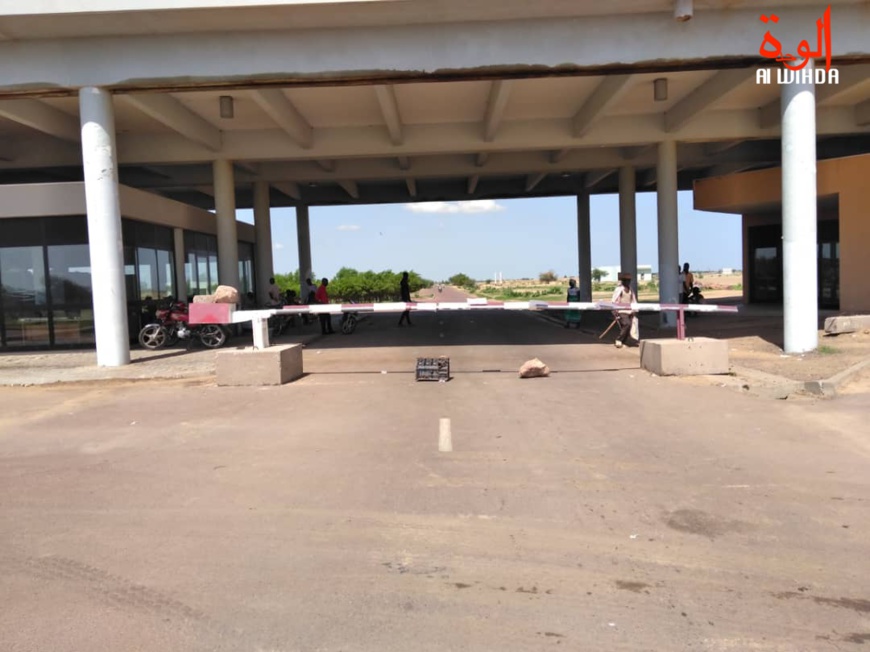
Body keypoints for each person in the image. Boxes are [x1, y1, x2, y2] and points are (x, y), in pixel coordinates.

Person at [611, 272, 638, 349]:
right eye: (626, 280)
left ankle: (623, 342)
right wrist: (614, 311)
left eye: (629, 280)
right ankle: (618, 340)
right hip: (621, 311)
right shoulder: (619, 290)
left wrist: (635, 310)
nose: (628, 282)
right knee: (627, 324)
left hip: (629, 311)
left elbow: (633, 300)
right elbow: (614, 300)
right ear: (623, 281)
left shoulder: (631, 290)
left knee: (628, 327)